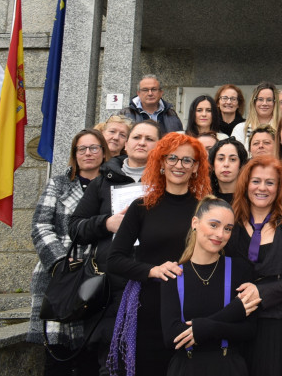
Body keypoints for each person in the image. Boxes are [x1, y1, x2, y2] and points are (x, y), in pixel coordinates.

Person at [106, 133, 212, 376]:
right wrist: (151, 270)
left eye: (187, 160)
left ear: (196, 167)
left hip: (195, 307)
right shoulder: (141, 207)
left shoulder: (206, 208)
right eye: (172, 158)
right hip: (151, 306)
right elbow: (115, 260)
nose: (179, 165)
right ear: (161, 162)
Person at [69, 119, 162, 373]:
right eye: (137, 137)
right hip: (111, 286)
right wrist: (106, 223)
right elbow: (75, 227)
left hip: (153, 281)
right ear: (126, 143)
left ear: (159, 147)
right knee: (112, 360)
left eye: (149, 139)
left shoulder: (167, 183)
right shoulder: (103, 181)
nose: (142, 142)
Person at [28, 129, 110, 376]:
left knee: (92, 353)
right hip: (62, 276)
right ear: (75, 154)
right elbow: (40, 225)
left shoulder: (113, 185)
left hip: (99, 278)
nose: (88, 153)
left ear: (104, 152)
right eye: (81, 148)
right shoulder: (59, 184)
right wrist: (59, 261)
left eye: (94, 147)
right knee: (59, 356)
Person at [227, 156, 282, 376]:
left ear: (279, 187)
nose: (262, 188)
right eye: (256, 181)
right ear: (245, 184)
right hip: (237, 324)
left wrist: (261, 292)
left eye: (270, 182)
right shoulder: (230, 222)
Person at [160, 196, 259, 376]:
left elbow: (249, 330)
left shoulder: (240, 269)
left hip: (229, 367)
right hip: (186, 368)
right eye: (214, 225)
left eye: (227, 229)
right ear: (195, 223)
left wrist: (207, 327)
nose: (220, 234)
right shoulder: (174, 275)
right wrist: (233, 312)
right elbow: (172, 338)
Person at [233, 82, 279, 149]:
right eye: (260, 99)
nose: (264, 103)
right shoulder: (240, 129)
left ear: (275, 103)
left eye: (269, 100)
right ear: (254, 102)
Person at [209, 137, 249, 204]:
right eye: (221, 159)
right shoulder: (205, 200)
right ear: (212, 165)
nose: (226, 164)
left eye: (233, 159)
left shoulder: (251, 199)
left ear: (241, 165)